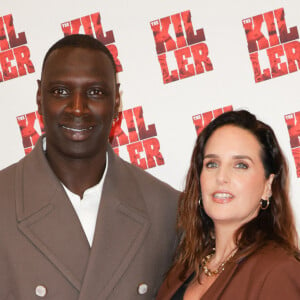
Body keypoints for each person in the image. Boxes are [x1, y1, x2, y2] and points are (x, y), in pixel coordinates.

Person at [0, 34, 179, 299]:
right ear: (39, 97)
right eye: (60, 91)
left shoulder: (167, 210)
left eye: (95, 92)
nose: (77, 108)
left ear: (117, 101)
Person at [157, 110, 300, 299]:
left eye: (241, 165)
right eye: (212, 164)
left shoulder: (279, 271)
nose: (221, 177)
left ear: (268, 185)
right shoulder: (184, 267)